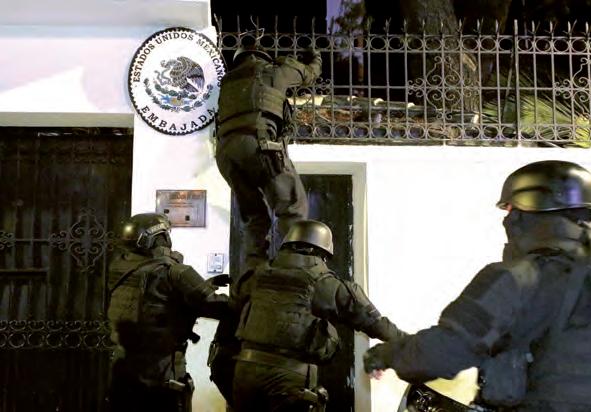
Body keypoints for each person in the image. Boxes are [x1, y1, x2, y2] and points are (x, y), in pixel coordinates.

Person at [364, 160, 591, 411]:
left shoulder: (520, 277)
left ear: (521, 215)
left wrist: (387, 353)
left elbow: (441, 354)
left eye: (510, 209)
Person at [230, 219, 407, 412]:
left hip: (245, 371)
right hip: (289, 377)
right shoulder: (324, 282)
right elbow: (373, 322)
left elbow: (232, 306)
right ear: (322, 251)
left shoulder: (258, 274)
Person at [215, 32, 322, 269]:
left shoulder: (227, 83)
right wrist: (314, 55)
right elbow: (310, 74)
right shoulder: (273, 71)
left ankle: (253, 271)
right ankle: (295, 269)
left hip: (226, 154)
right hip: (259, 146)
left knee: (254, 217)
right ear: (262, 57)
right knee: (293, 208)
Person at [107, 213, 228, 412]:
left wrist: (206, 285)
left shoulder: (119, 268)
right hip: (161, 373)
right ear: (159, 237)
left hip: (124, 371)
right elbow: (216, 306)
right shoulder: (175, 272)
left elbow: (155, 299)